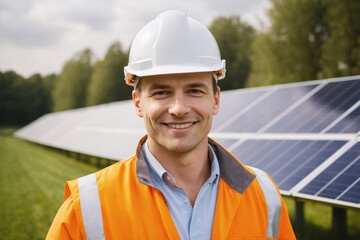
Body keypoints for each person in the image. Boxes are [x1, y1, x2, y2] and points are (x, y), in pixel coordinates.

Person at [47, 10, 296, 240]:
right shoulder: (87, 208)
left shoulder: (264, 195)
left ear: (216, 100)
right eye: (161, 92)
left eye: (195, 90)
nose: (178, 108)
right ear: (138, 103)